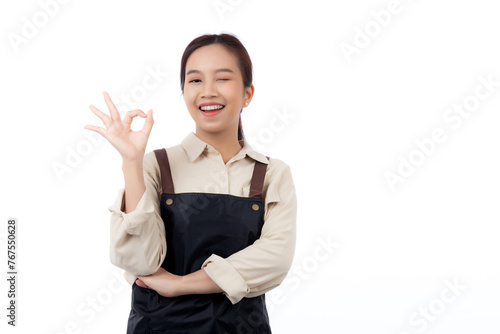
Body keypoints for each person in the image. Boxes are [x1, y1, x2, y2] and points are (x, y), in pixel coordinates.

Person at [84, 33, 297, 333]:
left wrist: (180, 284)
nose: (207, 92)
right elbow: (141, 263)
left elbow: (274, 260)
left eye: (222, 78)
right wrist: (131, 162)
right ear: (183, 91)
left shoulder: (271, 174)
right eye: (195, 81)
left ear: (247, 94)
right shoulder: (156, 166)